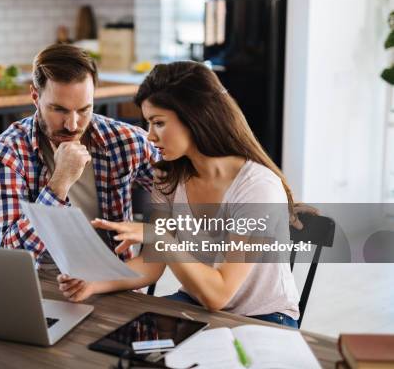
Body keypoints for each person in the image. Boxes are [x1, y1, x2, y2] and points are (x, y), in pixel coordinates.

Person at [57, 61, 303, 328]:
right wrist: (93, 283)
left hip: (262, 319)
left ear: (195, 117)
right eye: (148, 123)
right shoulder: (168, 177)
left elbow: (218, 295)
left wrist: (159, 236)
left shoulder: (256, 187)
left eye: (158, 123)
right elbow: (151, 266)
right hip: (194, 305)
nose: (149, 137)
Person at [0, 44, 158, 267]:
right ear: (35, 97)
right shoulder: (8, 152)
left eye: (84, 109)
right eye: (59, 110)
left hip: (114, 284)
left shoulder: (126, 141)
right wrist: (59, 183)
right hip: (42, 284)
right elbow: (12, 255)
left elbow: (197, 207)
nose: (73, 124)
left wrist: (151, 232)